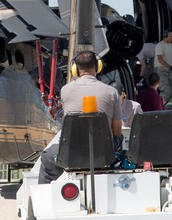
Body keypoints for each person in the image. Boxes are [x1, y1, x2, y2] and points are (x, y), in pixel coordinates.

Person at [38, 51, 121, 184]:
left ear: (75, 69)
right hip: (104, 155)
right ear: (98, 66)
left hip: (72, 155)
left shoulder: (65, 90)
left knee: (47, 157)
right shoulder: (112, 92)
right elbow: (117, 132)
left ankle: (44, 198)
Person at [154, 30, 172, 108]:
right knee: (166, 91)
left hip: (169, 70)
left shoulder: (170, 45)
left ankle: (169, 107)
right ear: (165, 35)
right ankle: (159, 107)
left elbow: (170, 58)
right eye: (170, 36)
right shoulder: (159, 45)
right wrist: (169, 66)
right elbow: (160, 59)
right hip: (161, 70)